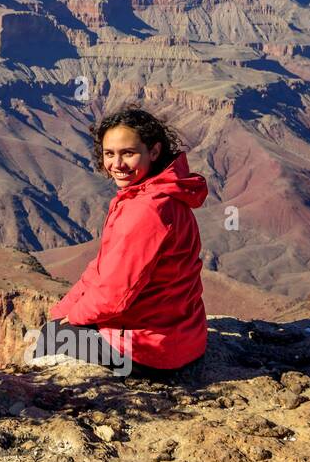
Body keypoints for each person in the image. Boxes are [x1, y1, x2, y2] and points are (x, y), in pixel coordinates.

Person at [31, 104, 208, 379]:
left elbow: (114, 295)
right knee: (58, 326)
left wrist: (70, 320)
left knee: (50, 339)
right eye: (109, 154)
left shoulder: (146, 210)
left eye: (129, 153)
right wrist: (64, 310)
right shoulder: (157, 193)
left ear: (155, 151)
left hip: (152, 353)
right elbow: (101, 268)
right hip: (184, 336)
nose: (117, 165)